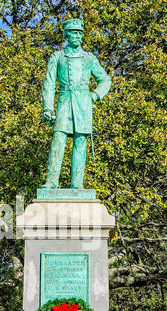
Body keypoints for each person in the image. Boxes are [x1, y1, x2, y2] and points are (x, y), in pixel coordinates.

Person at [41, 18, 111, 189]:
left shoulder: (89, 58)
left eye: (79, 33)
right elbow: (49, 84)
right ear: (66, 34)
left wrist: (94, 96)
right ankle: (51, 182)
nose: (77, 36)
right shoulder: (57, 57)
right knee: (58, 139)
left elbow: (105, 80)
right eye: (73, 32)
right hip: (64, 102)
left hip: (83, 104)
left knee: (81, 142)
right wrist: (48, 108)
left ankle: (77, 185)